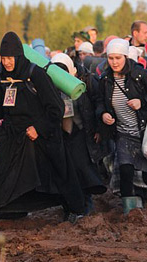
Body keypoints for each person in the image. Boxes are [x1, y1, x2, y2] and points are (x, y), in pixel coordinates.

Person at [0, 32, 86, 228]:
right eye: (3, 58)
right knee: (1, 173)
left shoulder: (36, 74)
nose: (6, 62)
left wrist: (38, 128)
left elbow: (55, 108)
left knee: (57, 173)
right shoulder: (1, 76)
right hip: (12, 133)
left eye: (10, 58)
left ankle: (74, 210)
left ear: (19, 56)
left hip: (41, 135)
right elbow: (1, 106)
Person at [97, 38, 147, 215]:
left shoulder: (139, 74)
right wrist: (103, 114)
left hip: (144, 133)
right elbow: (99, 101)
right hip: (122, 134)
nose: (114, 62)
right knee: (125, 171)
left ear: (125, 57)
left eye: (118, 58)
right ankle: (131, 214)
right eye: (111, 58)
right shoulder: (105, 78)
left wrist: (142, 101)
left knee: (146, 176)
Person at [50, 53, 107, 213]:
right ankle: (70, 207)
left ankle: (85, 205)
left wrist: (98, 129)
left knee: (82, 169)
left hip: (82, 132)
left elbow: (98, 103)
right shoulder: (50, 84)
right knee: (66, 171)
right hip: (62, 134)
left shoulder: (86, 81)